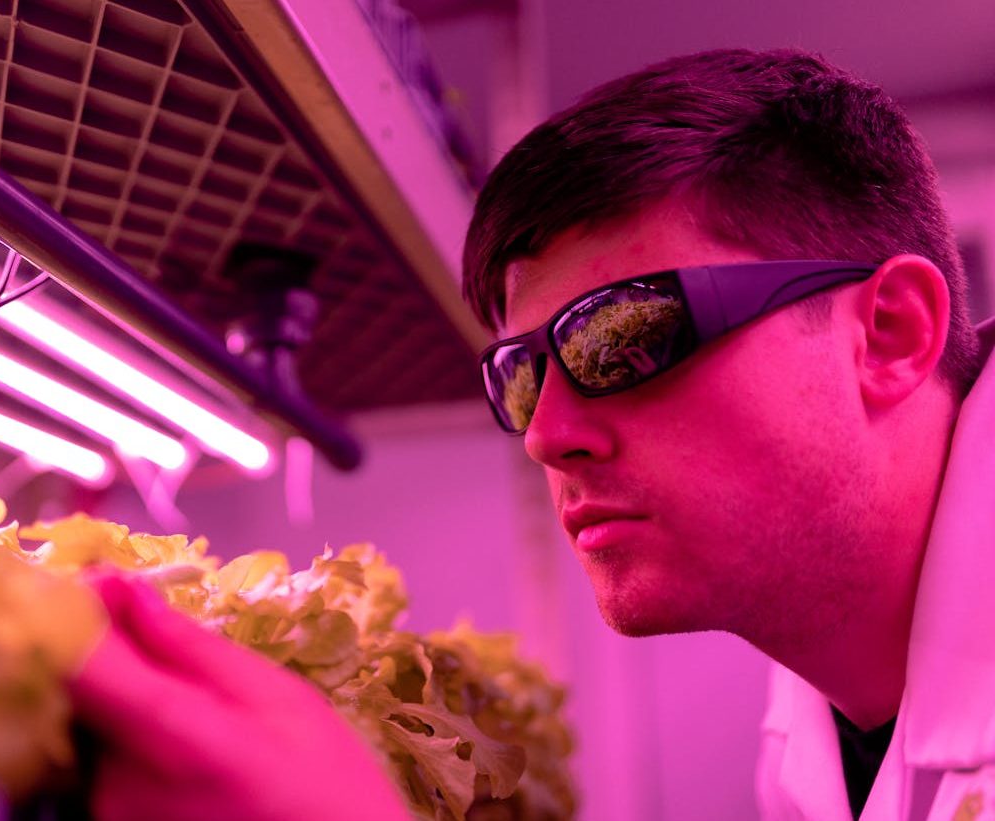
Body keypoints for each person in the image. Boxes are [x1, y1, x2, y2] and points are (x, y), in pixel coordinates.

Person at [70, 48, 995, 820]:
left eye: (624, 338)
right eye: (520, 376)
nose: (546, 435)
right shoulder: (822, 691)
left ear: (889, 334)